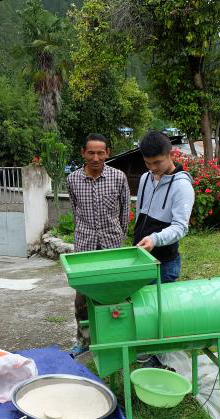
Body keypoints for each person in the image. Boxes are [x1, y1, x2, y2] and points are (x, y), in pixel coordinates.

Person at [65, 133, 130, 358]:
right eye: (91, 152)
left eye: (100, 152)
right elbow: (75, 210)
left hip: (112, 244)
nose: (96, 157)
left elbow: (125, 212)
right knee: (82, 297)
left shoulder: (118, 177)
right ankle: (83, 340)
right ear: (83, 153)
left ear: (107, 153)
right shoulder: (73, 179)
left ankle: (116, 339)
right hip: (85, 246)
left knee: (115, 294)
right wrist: (82, 233)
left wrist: (118, 236)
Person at [133, 131, 195, 365]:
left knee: (161, 315)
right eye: (148, 163)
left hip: (164, 262)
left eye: (157, 162)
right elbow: (141, 213)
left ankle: (161, 362)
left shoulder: (182, 186)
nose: (153, 168)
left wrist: (155, 239)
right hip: (141, 257)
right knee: (142, 309)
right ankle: (144, 353)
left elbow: (181, 227)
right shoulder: (145, 178)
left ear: (170, 154)